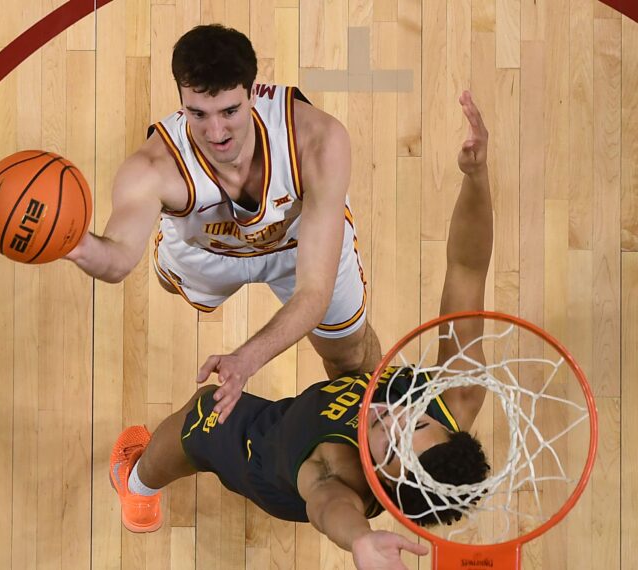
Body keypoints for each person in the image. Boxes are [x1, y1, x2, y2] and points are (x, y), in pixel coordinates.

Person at [108, 92, 494, 569]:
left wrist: (360, 542)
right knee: (357, 357)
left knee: (199, 417)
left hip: (263, 447)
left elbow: (331, 512)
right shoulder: (458, 395)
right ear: (447, 425)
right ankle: (350, 383)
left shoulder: (330, 472)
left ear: (381, 484)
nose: (394, 417)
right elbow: (467, 270)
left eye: (391, 446)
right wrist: (475, 178)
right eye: (418, 423)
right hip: (339, 397)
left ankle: (137, 483)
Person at [66, 24, 382, 423]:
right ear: (181, 101)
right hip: (207, 251)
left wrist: (246, 359)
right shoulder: (153, 168)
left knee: (350, 353)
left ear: (252, 93)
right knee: (168, 280)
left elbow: (314, 293)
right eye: (197, 113)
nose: (216, 133)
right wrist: (72, 243)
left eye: (230, 111)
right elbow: (116, 261)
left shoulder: (318, 141)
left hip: (297, 244)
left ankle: (375, 430)